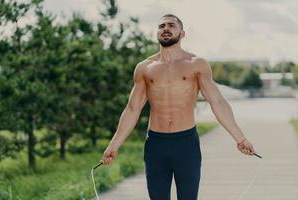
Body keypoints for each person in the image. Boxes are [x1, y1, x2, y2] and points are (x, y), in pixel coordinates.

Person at [100, 14, 255, 200]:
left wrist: (240, 138)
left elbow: (217, 102)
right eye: (161, 26)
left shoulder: (196, 64)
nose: (165, 28)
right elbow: (132, 109)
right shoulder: (145, 68)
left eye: (171, 25)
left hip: (186, 144)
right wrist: (114, 145)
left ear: (182, 33)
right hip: (156, 144)